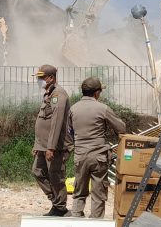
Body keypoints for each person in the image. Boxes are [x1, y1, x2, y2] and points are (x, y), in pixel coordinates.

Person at [67, 76, 126, 218]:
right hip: (99, 157)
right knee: (98, 193)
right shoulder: (102, 108)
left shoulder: (73, 109)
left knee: (79, 191)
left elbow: (69, 132)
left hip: (80, 155)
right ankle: (96, 221)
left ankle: (76, 219)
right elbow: (121, 128)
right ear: (96, 93)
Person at [32, 64, 71, 217]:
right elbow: (43, 122)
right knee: (37, 171)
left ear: (51, 78)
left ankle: (59, 207)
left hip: (54, 146)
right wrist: (37, 145)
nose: (39, 80)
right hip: (43, 145)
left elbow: (56, 122)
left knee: (55, 176)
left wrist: (51, 147)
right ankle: (57, 203)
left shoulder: (58, 94)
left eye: (41, 77)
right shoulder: (49, 94)